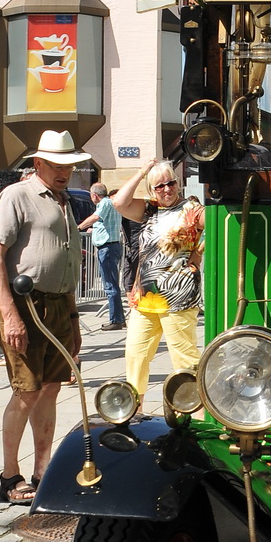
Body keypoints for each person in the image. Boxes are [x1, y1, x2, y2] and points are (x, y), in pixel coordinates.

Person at [0, 129, 90, 504]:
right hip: (25, 304)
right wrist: (10, 315)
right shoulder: (17, 195)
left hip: (59, 304)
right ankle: (9, 475)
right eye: (58, 165)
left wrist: (75, 319)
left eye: (71, 166)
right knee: (26, 390)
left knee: (52, 387)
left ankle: (42, 471)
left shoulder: (63, 202)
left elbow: (68, 262)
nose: (66, 171)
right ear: (38, 163)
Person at [113, 157, 204, 400]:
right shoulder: (149, 209)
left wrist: (199, 252)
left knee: (185, 358)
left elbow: (214, 223)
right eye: (160, 186)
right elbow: (119, 202)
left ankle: (195, 413)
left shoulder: (190, 208)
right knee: (135, 355)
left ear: (178, 184)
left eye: (171, 183)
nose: (167, 189)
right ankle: (135, 411)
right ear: (152, 190)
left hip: (178, 295)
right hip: (145, 298)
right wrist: (142, 171)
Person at [78, 182, 126, 330]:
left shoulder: (104, 203)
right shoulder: (112, 203)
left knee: (110, 285)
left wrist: (79, 227)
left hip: (107, 247)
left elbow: (95, 217)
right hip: (111, 245)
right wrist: (95, 229)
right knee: (112, 283)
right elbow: (104, 223)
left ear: (94, 195)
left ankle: (116, 319)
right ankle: (119, 317)